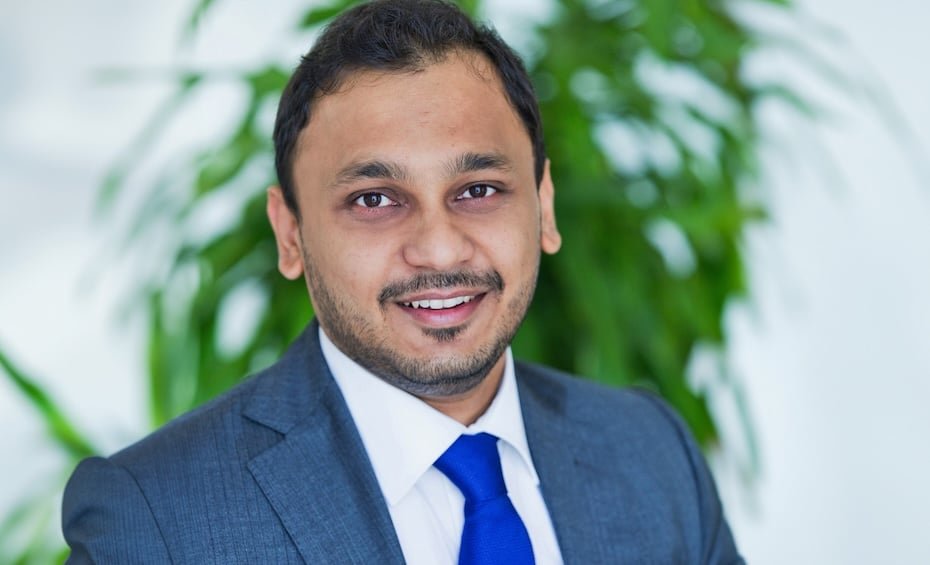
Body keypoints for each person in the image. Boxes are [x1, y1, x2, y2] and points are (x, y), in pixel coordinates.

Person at [62, 0, 744, 563]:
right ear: (290, 233)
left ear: (545, 206)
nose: (439, 246)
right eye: (374, 200)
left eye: (479, 189)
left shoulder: (654, 455)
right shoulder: (152, 520)